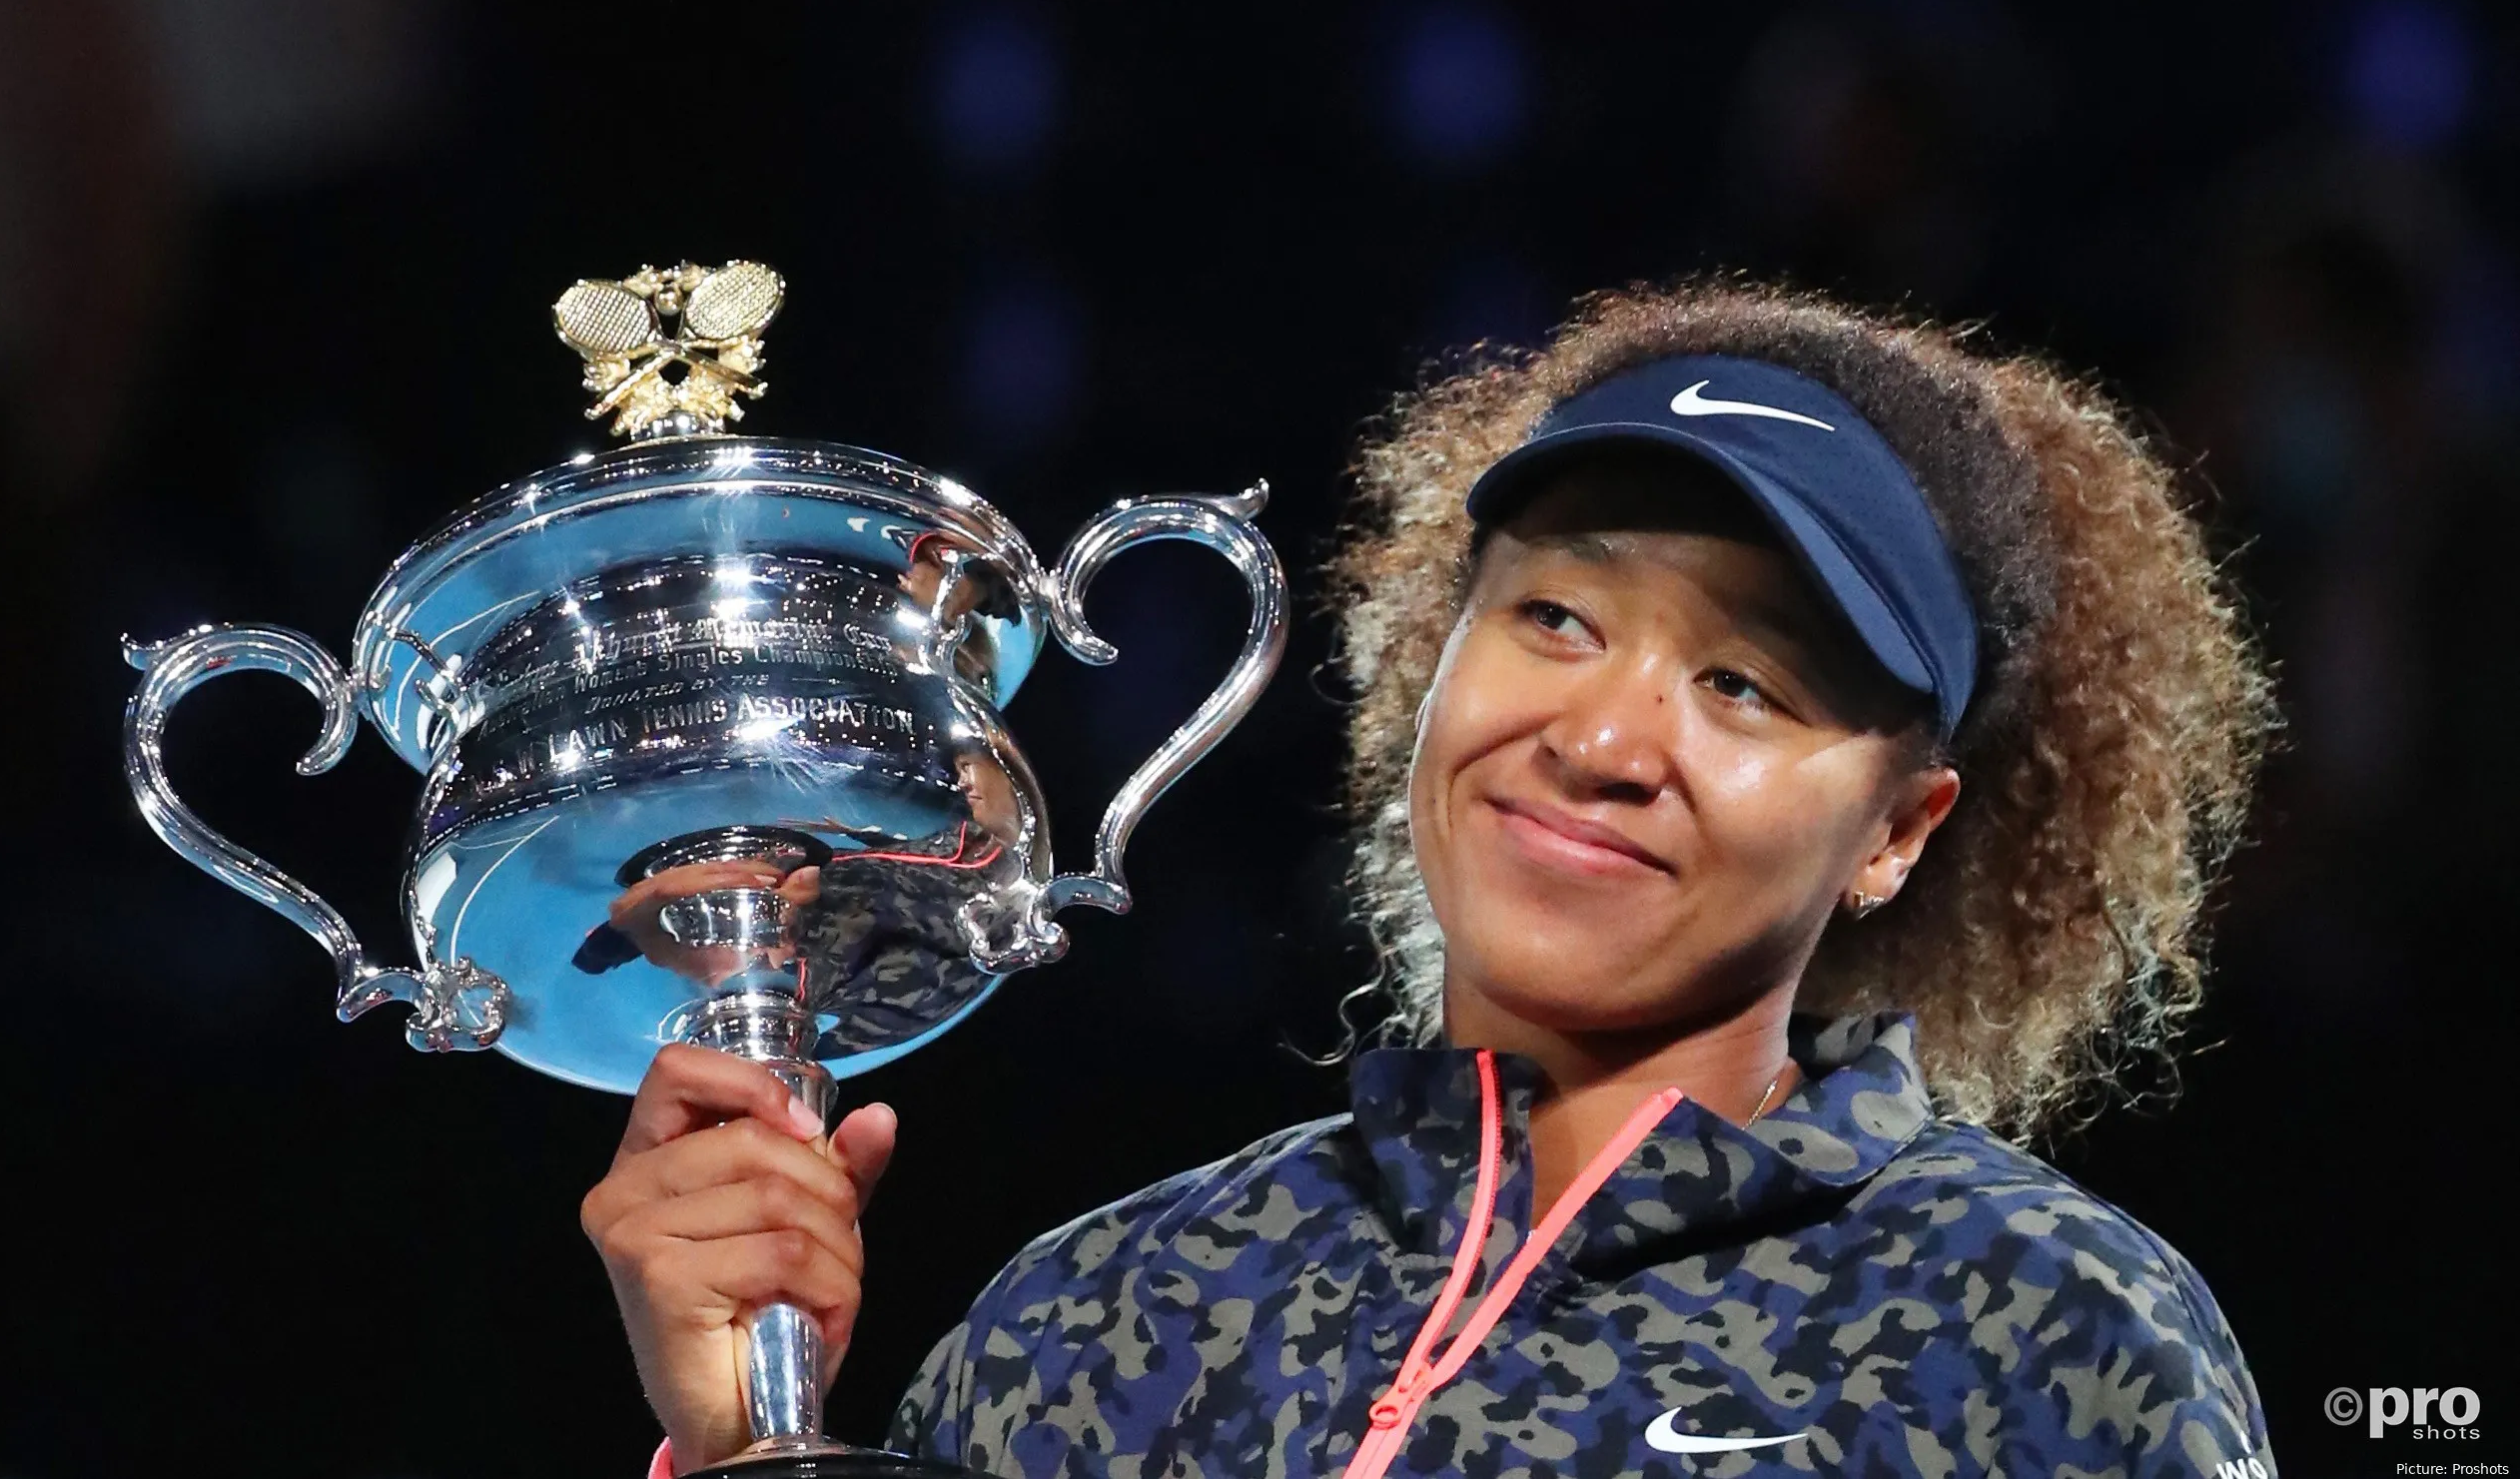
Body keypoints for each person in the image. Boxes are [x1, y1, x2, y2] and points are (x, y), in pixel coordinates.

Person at [581, 282, 2280, 1478]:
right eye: (1557, 616)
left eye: (1744, 685)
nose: (1607, 734)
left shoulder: (2052, 1334)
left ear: (1898, 829)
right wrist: (749, 1440)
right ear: (1433, 658)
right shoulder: (1088, 1322)